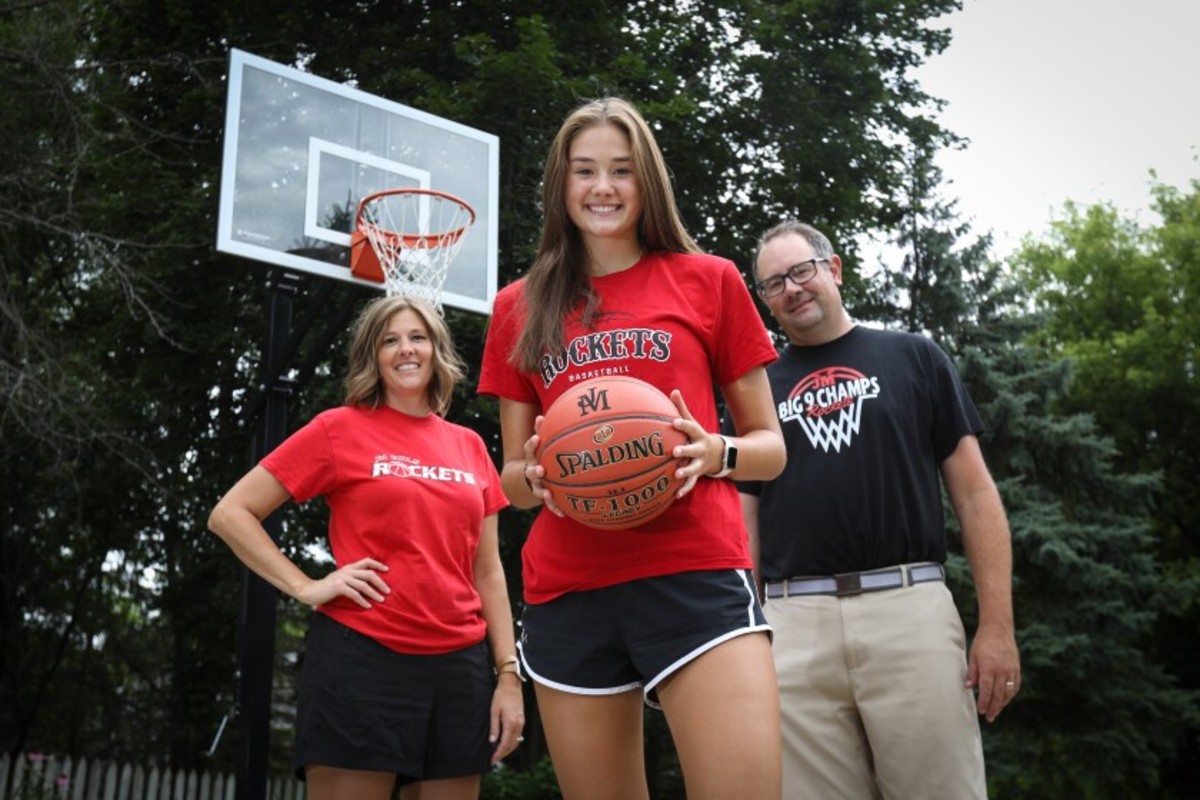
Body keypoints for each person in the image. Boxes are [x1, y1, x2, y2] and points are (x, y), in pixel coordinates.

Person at [478, 97, 787, 800]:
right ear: (562, 185)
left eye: (621, 170)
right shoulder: (518, 307)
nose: (603, 188)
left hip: (696, 572)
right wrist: (540, 480)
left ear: (646, 181)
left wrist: (716, 453)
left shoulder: (708, 279)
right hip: (569, 587)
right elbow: (514, 477)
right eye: (584, 171)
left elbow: (771, 448)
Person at [734, 220, 1021, 799]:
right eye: (773, 284)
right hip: (793, 625)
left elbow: (975, 493)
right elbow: (744, 520)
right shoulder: (754, 390)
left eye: (801, 271)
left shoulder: (914, 356)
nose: (791, 289)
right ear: (763, 301)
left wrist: (997, 626)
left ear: (833, 269)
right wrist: (750, 633)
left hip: (910, 609)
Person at [208, 295, 524, 800]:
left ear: (436, 349)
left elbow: (488, 573)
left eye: (417, 338)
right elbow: (230, 513)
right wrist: (306, 586)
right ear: (372, 356)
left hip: (459, 668)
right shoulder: (339, 428)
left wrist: (508, 675)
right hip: (363, 657)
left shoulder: (468, 445)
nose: (406, 350)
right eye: (389, 340)